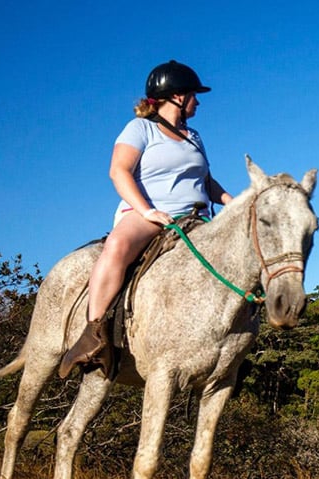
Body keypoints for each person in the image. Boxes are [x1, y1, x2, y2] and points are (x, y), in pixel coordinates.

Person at [59, 60, 233, 378]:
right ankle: (94, 334)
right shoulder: (140, 129)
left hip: (194, 218)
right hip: (151, 213)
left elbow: (206, 180)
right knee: (118, 246)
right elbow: (119, 171)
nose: (198, 101)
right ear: (177, 96)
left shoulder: (195, 137)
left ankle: (231, 345)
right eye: (194, 94)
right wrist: (146, 210)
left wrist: (230, 202)